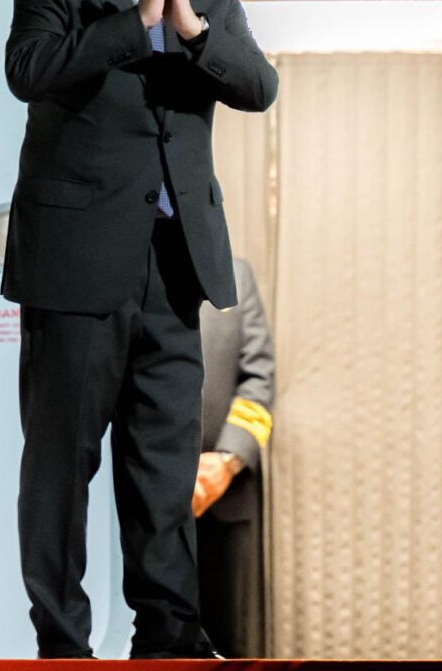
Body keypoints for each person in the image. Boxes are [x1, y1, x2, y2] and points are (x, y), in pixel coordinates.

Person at [0, 0, 279, 659]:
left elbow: (258, 87)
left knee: (163, 465)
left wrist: (192, 29)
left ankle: (167, 635)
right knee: (62, 465)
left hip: (175, 264)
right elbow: (29, 72)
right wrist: (136, 20)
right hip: (76, 264)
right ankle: (62, 640)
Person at [194, 255, 276, 657]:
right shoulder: (125, 269)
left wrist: (226, 461)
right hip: (133, 498)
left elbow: (259, 381)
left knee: (225, 643)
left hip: (219, 500)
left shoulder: (236, 276)